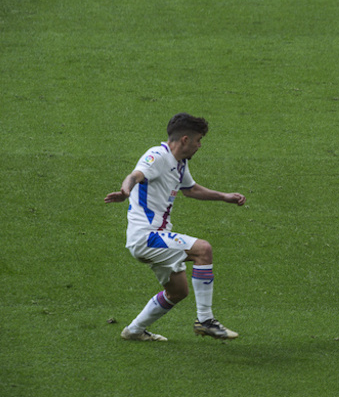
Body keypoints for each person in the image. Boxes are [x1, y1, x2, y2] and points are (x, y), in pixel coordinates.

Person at [105, 113, 247, 340]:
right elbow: (135, 175)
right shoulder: (157, 156)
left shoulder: (179, 163)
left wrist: (224, 196)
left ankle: (133, 331)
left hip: (158, 236)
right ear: (185, 140)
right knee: (203, 250)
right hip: (146, 237)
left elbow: (190, 189)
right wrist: (125, 191)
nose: (200, 145)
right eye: (198, 140)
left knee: (177, 292)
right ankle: (205, 320)